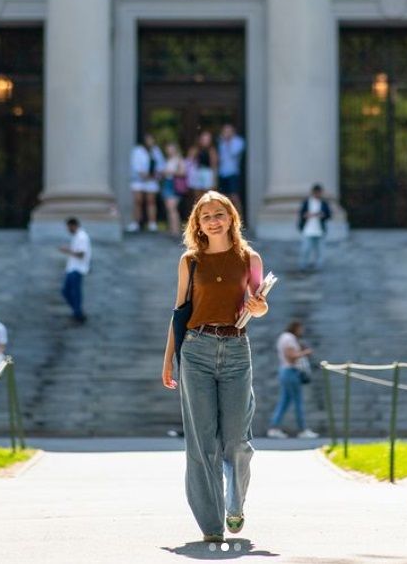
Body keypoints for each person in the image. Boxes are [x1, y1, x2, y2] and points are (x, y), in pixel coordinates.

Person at [161, 190, 268, 543]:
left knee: (237, 440)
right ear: (198, 224)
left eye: (219, 213)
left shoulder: (248, 258)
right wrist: (168, 362)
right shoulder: (190, 261)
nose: (213, 220)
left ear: (231, 217)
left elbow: (260, 304)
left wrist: (257, 307)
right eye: (206, 216)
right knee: (201, 442)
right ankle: (211, 525)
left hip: (237, 350)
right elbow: (180, 313)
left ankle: (235, 504)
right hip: (196, 350)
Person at [266, 321, 318, 439]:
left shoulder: (284, 337)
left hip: (285, 371)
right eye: (300, 329)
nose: (302, 332)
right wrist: (306, 352)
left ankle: (273, 427)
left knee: (284, 402)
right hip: (291, 372)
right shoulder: (289, 338)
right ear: (296, 328)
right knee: (298, 402)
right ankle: (303, 429)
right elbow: (291, 356)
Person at [126, 133, 165, 233]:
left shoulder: (156, 151)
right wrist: (144, 174)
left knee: (151, 201)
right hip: (138, 180)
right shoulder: (138, 151)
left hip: (152, 180)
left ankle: (152, 223)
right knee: (138, 201)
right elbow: (135, 166)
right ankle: (136, 223)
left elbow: (161, 165)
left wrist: (156, 174)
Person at [59, 217, 91, 324]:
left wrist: (67, 250)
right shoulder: (77, 236)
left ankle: (78, 313)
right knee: (67, 291)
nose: (68, 230)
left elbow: (81, 254)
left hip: (77, 268)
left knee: (74, 292)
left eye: (68, 227)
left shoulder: (82, 237)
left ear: (73, 225)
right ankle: (77, 311)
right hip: (72, 268)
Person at [297, 183, 332, 271]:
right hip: (308, 230)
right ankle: (303, 266)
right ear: (313, 192)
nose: (317, 194)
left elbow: (329, 215)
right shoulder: (307, 202)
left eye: (319, 192)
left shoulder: (323, 203)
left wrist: (322, 215)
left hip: (320, 230)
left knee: (320, 251)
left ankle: (319, 267)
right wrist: (307, 215)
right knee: (305, 249)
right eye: (316, 192)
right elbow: (301, 214)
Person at [217, 124, 245, 214]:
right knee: (223, 198)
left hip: (233, 173)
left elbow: (234, 152)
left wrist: (228, 142)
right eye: (225, 131)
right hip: (222, 173)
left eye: (228, 131)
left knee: (234, 197)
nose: (226, 133)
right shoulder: (221, 142)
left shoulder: (238, 142)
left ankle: (239, 219)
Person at [161, 142, 187, 237]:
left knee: (172, 208)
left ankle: (176, 230)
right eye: (168, 148)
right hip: (167, 183)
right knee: (169, 208)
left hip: (174, 184)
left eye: (171, 148)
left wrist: (171, 172)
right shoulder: (168, 159)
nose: (169, 150)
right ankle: (172, 229)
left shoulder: (179, 159)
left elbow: (183, 172)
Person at [188, 131, 218, 201]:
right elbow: (190, 159)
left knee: (208, 195)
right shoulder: (196, 149)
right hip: (198, 172)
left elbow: (214, 165)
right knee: (198, 196)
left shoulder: (212, 150)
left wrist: (214, 179)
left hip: (208, 173)